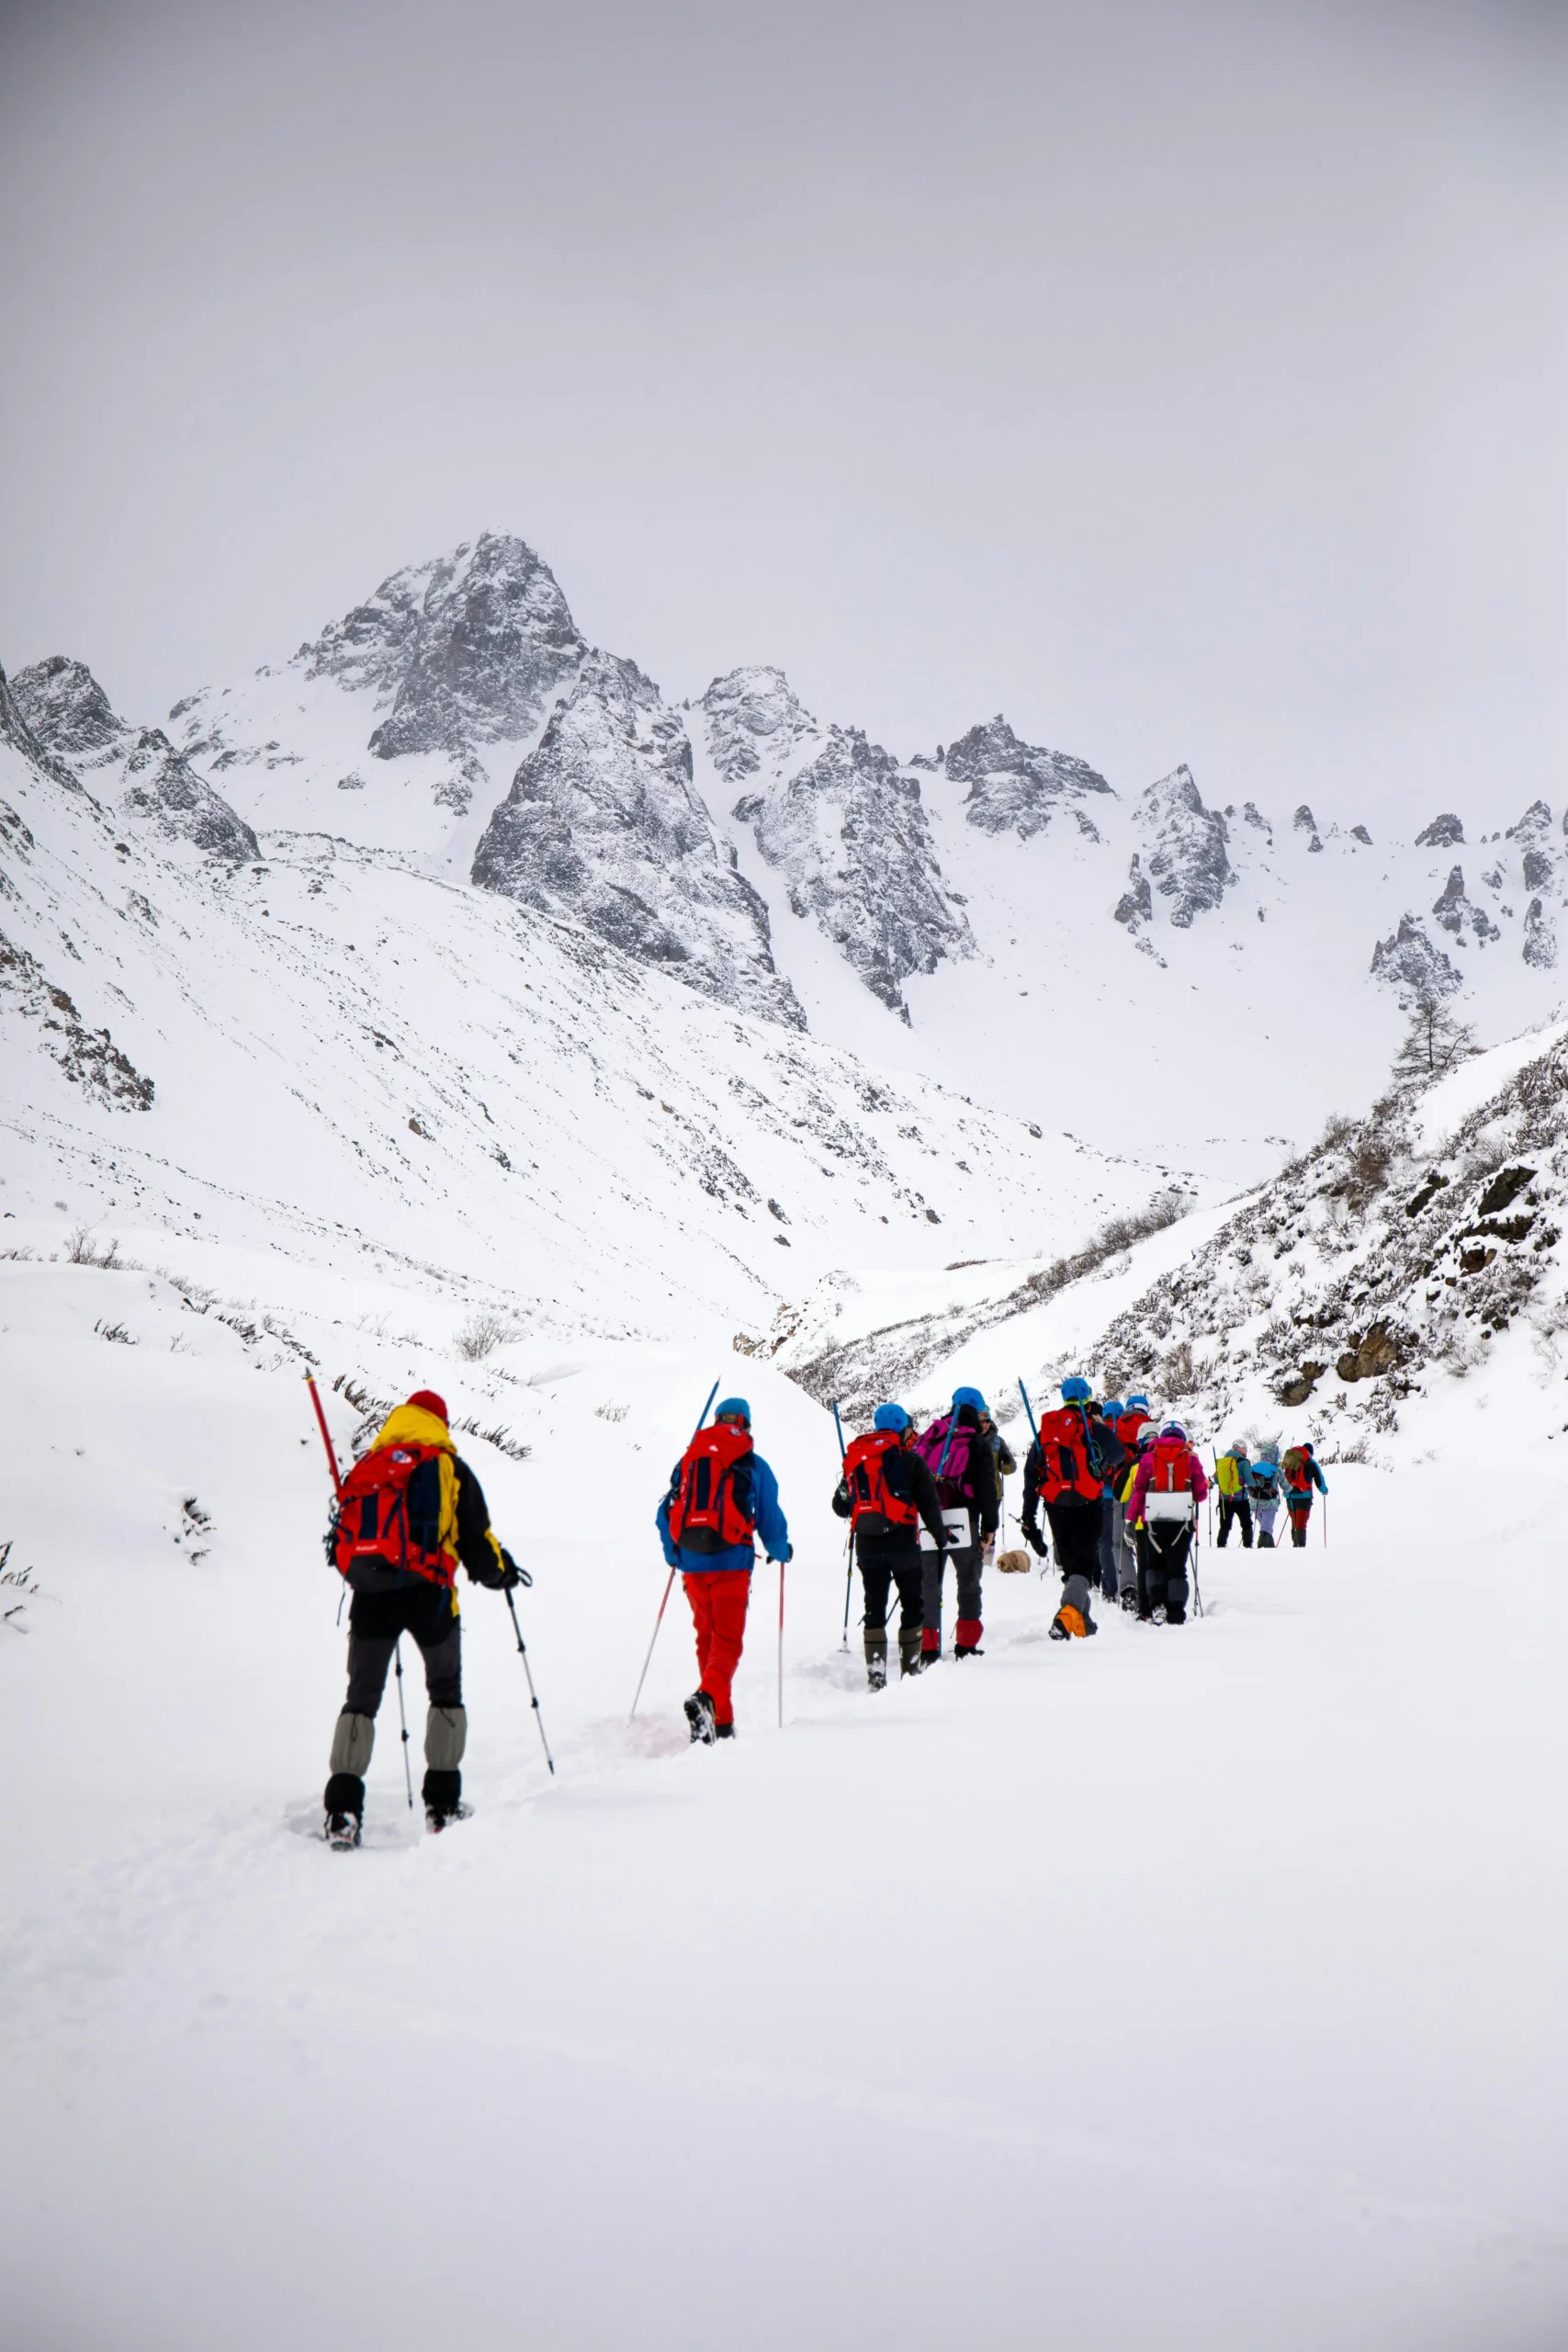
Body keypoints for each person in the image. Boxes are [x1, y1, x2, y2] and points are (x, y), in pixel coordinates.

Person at [322, 1387, 522, 1848]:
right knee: (445, 1692)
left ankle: (342, 1811)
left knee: (361, 1698)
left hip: (370, 1596)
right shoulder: (447, 1466)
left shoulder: (370, 1468)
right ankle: (443, 1805)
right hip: (430, 1595)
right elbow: (477, 1541)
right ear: (440, 1422)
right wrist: (500, 1574)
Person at [658, 1396, 790, 1742]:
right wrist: (781, 1550)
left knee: (707, 1639)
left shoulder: (689, 1459)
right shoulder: (753, 1464)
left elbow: (665, 1513)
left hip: (692, 1563)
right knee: (728, 1642)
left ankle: (719, 1722)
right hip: (731, 1563)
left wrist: (674, 1554)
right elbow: (769, 1519)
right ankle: (707, 1699)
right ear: (745, 1424)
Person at [832, 1403, 951, 1685]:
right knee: (912, 1604)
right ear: (903, 1428)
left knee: (874, 1605)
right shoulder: (910, 1461)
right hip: (904, 1545)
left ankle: (876, 1675)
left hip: (867, 1546)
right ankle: (910, 1672)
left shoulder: (857, 1460)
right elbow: (929, 1505)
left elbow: (839, 1506)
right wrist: (941, 1536)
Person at [913, 1385, 999, 1659]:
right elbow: (988, 1488)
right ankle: (966, 1643)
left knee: (929, 1583)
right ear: (977, 1410)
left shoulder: (931, 1435)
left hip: (929, 1517)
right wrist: (990, 1527)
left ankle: (927, 1646)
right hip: (965, 1517)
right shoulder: (977, 1442)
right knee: (968, 1581)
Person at [1021, 1375, 1109, 1640]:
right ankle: (1065, 1616)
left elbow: (1030, 1475)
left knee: (1072, 1565)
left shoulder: (1047, 1430)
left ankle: (1084, 1625)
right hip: (1088, 1502)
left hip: (1055, 1504)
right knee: (1083, 1565)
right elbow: (1116, 1455)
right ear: (1088, 1400)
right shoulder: (1094, 1428)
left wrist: (1029, 1516)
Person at [1126, 1419, 1208, 1623]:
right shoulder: (1191, 1460)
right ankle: (1177, 1611)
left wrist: (1131, 1520)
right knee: (1177, 1567)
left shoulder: (1147, 1459)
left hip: (1153, 1521)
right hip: (1182, 1522)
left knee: (1154, 1564)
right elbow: (1200, 1495)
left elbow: (1139, 1492)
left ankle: (1158, 1606)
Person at [1112, 1418, 1156, 1609]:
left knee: (1144, 1563)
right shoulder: (1172, 1460)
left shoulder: (1135, 1464)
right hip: (1170, 1521)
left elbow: (1120, 1495)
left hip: (1142, 1522)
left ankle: (1144, 1605)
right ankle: (1164, 1600)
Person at [1089, 1398, 1130, 1599]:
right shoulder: (1126, 1433)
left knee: (1105, 1541)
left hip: (1101, 1493)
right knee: (1122, 1541)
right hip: (1124, 1494)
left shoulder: (1098, 1433)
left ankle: (1109, 1587)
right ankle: (1127, 1583)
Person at [1282, 1441, 1327, 1545]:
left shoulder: (1291, 1460)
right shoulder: (1311, 1462)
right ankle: (1300, 1548)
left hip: (1290, 1497)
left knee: (1294, 1522)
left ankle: (1296, 1544)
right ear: (1310, 1453)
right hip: (1304, 1497)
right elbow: (1319, 1481)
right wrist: (1324, 1490)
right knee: (1301, 1524)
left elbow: (1283, 1477)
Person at [1214, 1441, 1254, 1547]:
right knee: (1246, 1524)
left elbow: (1216, 1481)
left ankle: (1221, 1546)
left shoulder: (1223, 1462)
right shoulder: (1244, 1462)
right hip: (1241, 1499)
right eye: (1245, 1449)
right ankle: (1248, 1546)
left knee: (1224, 1525)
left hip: (1224, 1499)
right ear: (1240, 1449)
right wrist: (1258, 1483)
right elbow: (1250, 1481)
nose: (1246, 1451)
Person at [1247, 1442, 1284, 1546]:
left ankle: (1270, 1547)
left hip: (1255, 1503)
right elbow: (1285, 1485)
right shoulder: (1276, 1469)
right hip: (1270, 1503)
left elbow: (1249, 1483)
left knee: (1265, 1525)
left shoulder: (1255, 1467)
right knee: (1266, 1528)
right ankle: (1262, 1547)